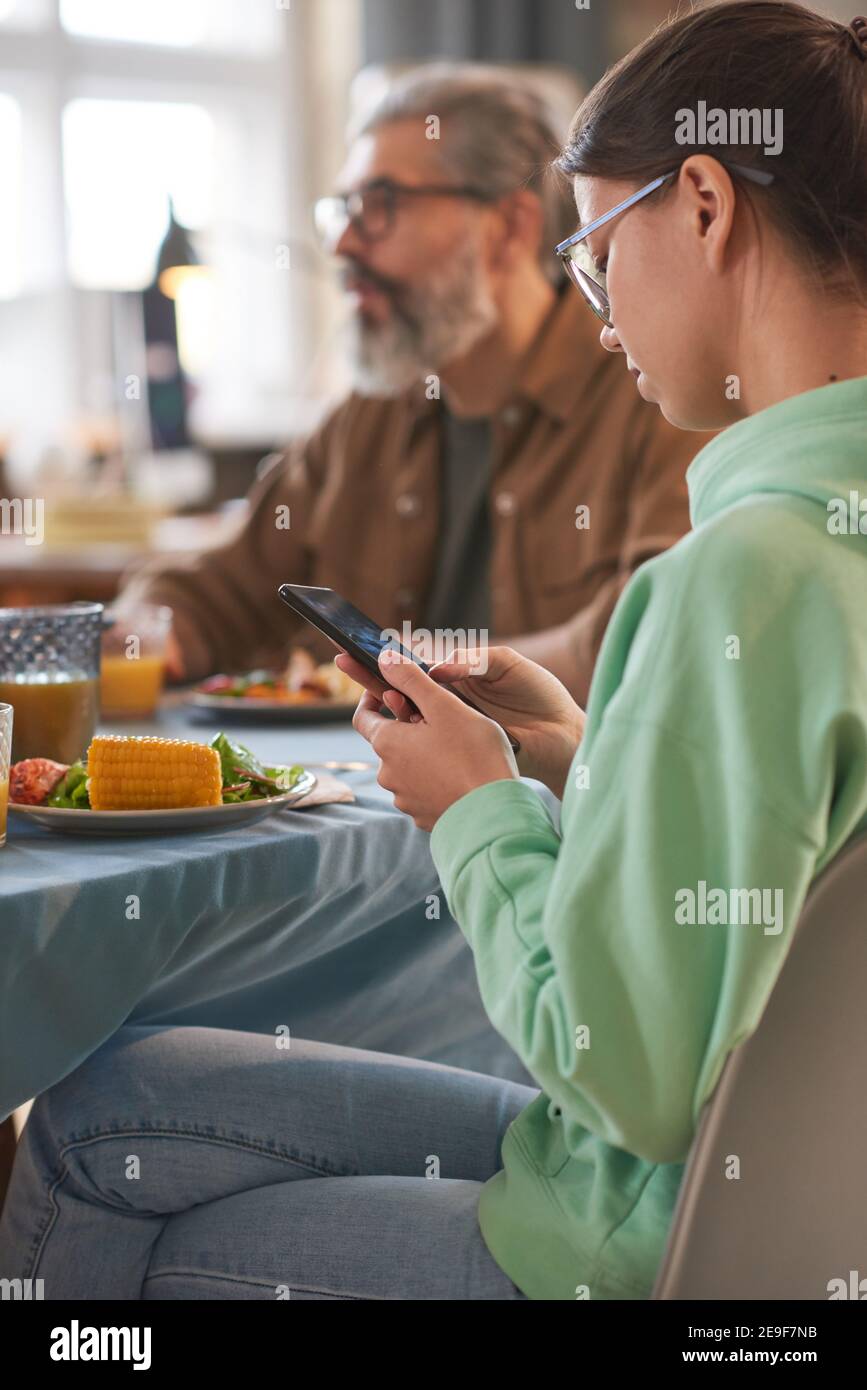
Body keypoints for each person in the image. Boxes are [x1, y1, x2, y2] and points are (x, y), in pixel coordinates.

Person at [4, 0, 867, 1301]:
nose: (601, 307)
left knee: (99, 1170)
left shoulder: (737, 574)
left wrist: (475, 805)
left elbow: (618, 1067)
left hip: (615, 1226)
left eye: (594, 248)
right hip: (755, 1193)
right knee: (115, 1089)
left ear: (702, 205)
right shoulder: (815, 541)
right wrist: (577, 749)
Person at [120, 64, 709, 705]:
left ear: (508, 227)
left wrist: (404, 668)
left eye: (380, 206)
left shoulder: (655, 393)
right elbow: (223, 588)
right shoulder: (368, 416)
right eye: (340, 210)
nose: (343, 242)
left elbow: (650, 637)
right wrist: (146, 631)